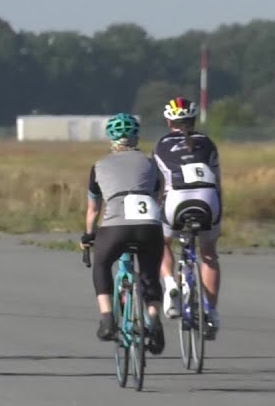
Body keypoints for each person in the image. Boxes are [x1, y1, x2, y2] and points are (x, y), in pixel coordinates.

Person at [81, 112, 167, 354]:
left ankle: (107, 318)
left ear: (110, 139)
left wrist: (88, 236)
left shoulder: (98, 166)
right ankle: (153, 319)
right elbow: (158, 195)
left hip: (115, 226)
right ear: (136, 138)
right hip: (149, 225)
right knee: (150, 275)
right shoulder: (151, 163)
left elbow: (93, 209)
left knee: (102, 264)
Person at [152, 96, 223, 339]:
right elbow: (218, 183)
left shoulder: (161, 145)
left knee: (161, 242)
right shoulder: (208, 143)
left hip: (176, 201)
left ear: (168, 121)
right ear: (193, 120)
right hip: (208, 200)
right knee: (209, 254)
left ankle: (170, 284)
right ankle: (211, 312)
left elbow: (159, 186)